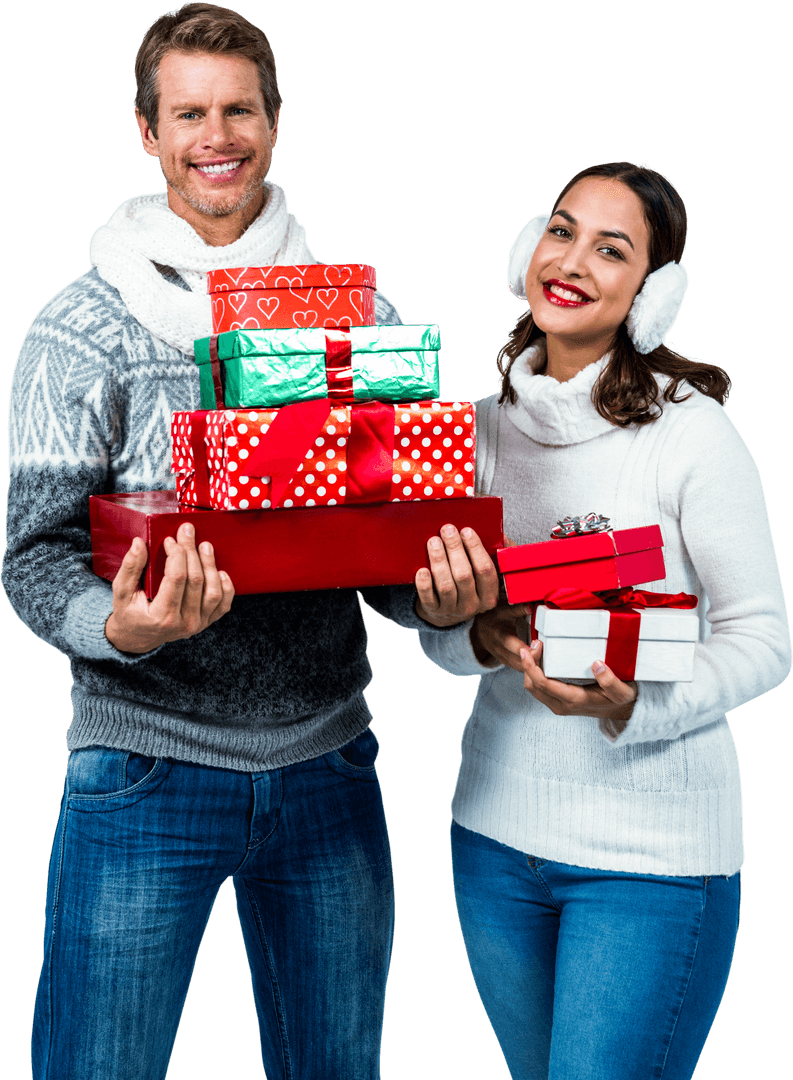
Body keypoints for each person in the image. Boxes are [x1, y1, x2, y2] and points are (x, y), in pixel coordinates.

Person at [0, 5, 494, 1078]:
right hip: (142, 770)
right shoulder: (78, 329)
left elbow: (383, 540)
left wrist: (437, 598)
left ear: (273, 126)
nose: (214, 135)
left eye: (237, 110)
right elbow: (30, 556)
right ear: (147, 130)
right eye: (188, 113)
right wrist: (117, 626)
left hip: (330, 769)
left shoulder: (358, 318)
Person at [416, 162, 792, 1079]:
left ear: (651, 295)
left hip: (649, 865)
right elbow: (441, 636)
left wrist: (632, 705)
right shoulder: (467, 434)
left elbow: (763, 637)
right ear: (525, 251)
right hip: (495, 845)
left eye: (610, 248)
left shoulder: (689, 433)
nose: (572, 259)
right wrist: (474, 633)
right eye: (560, 229)